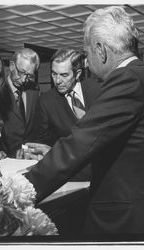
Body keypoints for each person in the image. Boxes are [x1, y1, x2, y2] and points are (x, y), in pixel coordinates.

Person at [24, 6, 144, 239]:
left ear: (101, 50)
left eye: (87, 54)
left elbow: (80, 143)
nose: (86, 63)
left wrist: (19, 190)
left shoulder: (127, 79)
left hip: (127, 222)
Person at [24, 48, 101, 181]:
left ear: (77, 74)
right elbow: (41, 142)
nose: (57, 81)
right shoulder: (46, 101)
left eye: (64, 75)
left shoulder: (99, 90)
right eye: (54, 74)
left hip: (105, 170)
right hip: (72, 175)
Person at [0, 48, 40, 157]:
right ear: (11, 66)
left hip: (29, 156)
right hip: (5, 157)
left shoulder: (34, 90)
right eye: (21, 72)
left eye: (29, 75)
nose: (24, 79)